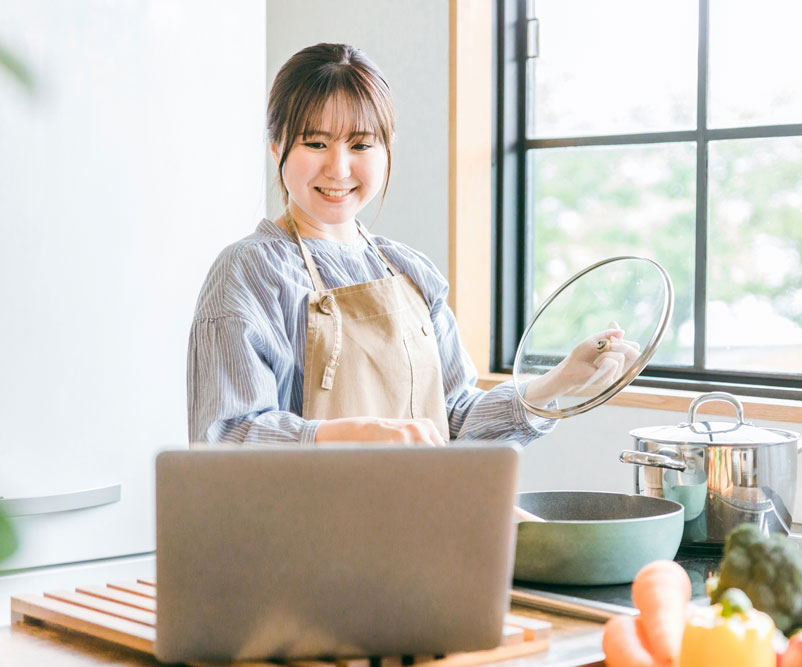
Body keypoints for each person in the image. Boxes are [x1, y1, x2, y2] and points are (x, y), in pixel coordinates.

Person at [187, 43, 637, 447]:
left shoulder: (410, 271)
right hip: (307, 536)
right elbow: (227, 436)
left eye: (361, 144)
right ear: (276, 144)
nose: (339, 168)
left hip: (417, 529)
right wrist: (353, 435)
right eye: (315, 142)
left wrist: (557, 380)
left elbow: (454, 418)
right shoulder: (248, 273)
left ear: (387, 150)